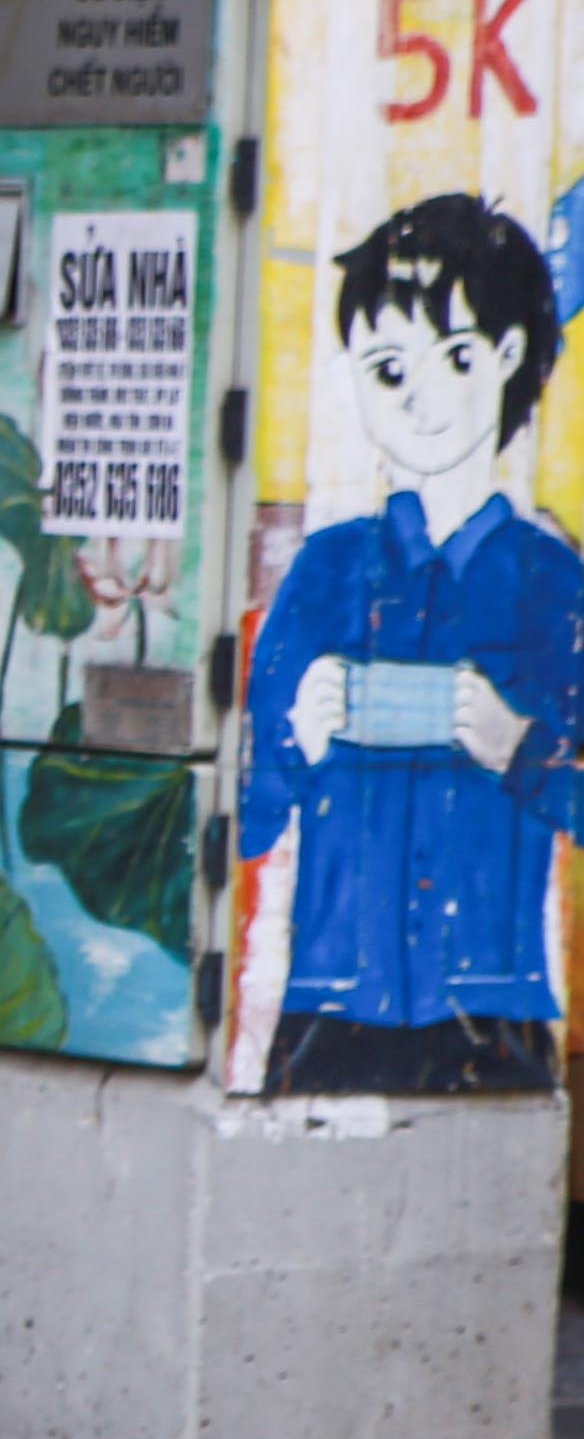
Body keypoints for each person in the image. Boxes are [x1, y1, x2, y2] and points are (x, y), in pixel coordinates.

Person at [231, 194, 584, 1097]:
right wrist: (293, 744)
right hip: (328, 1009)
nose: (422, 395)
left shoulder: (551, 580)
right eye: (388, 367)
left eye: (458, 357)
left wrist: (519, 749)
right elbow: (244, 810)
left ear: (508, 358)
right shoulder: (327, 569)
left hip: (491, 1012)